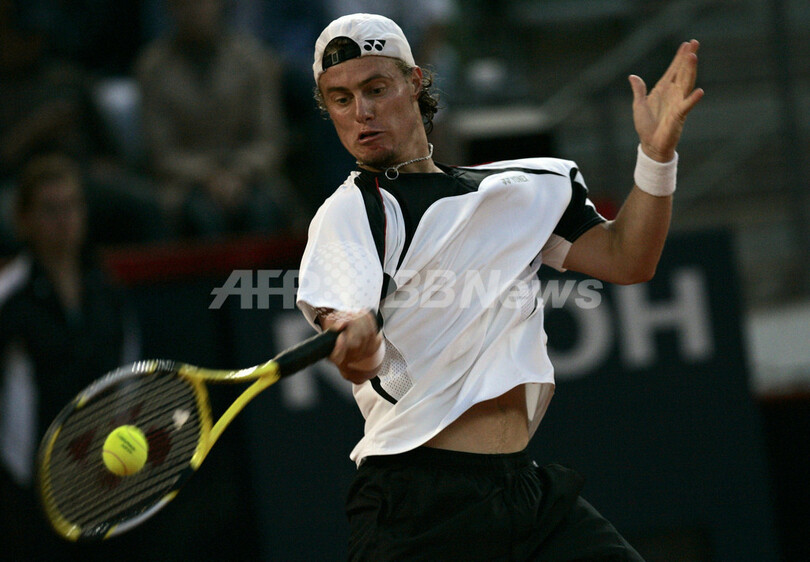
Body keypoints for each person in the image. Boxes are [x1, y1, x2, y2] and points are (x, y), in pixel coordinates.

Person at [295, 13, 703, 561]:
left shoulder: (520, 190)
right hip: (417, 508)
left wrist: (656, 156)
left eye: (375, 89)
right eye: (341, 100)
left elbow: (628, 258)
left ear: (414, 82)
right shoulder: (348, 214)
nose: (361, 112)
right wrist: (352, 336)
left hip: (525, 493)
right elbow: (345, 328)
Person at [0, 154, 140, 559]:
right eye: (50, 209)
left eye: (72, 206)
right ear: (24, 220)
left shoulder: (109, 293)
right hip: (27, 490)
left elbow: (129, 382)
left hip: (104, 478)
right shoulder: (9, 297)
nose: (64, 220)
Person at [135, 0, 306, 237]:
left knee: (262, 211)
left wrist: (239, 172)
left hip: (252, 176)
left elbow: (270, 140)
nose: (195, 9)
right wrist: (208, 176)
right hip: (183, 183)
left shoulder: (253, 59)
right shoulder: (153, 66)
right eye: (183, 4)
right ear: (170, 8)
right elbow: (160, 152)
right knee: (201, 217)